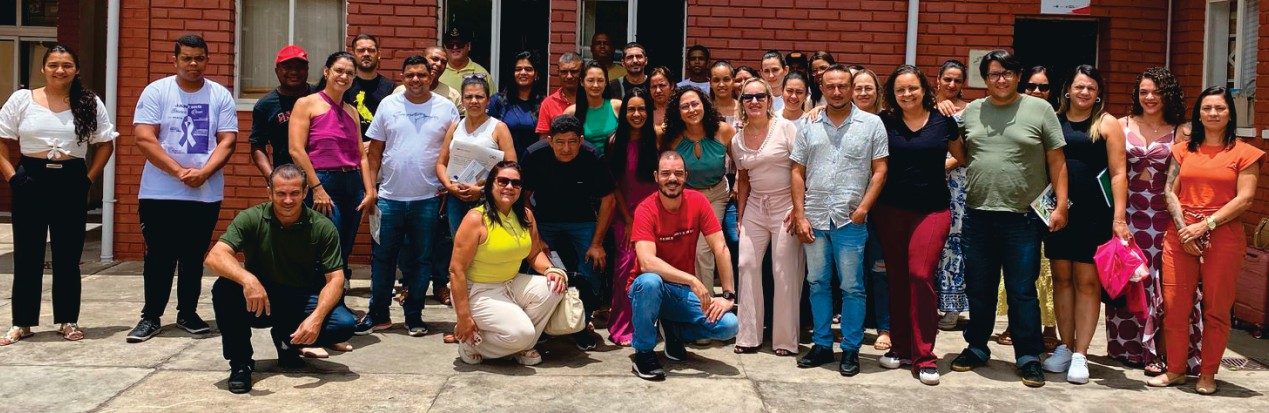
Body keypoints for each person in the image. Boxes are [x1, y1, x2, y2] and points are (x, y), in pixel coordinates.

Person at [948, 50, 1068, 388]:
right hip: (978, 214)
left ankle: (1028, 356)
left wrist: (1061, 206)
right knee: (979, 288)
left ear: (1018, 76)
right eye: (993, 74)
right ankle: (976, 347)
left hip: (1023, 218)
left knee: (1022, 291)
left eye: (1007, 73)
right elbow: (961, 152)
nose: (1001, 79)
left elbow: (1057, 161)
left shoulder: (1039, 109)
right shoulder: (973, 111)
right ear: (985, 79)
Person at [1149, 86, 1263, 394]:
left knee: (1217, 310)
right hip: (1181, 234)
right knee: (1175, 306)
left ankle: (1207, 374)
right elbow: (1169, 190)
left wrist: (1205, 225)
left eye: (1220, 108)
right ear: (1198, 114)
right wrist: (1184, 229)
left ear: (1230, 114)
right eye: (1207, 108)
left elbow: (1245, 199)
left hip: (1223, 237)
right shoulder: (1183, 150)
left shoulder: (1245, 153)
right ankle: (1175, 370)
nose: (1213, 113)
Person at [0, 45, 116, 345]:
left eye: (66, 65)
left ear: (76, 70)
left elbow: (105, 144)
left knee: (67, 255)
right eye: (53, 65)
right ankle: (22, 322)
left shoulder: (88, 102)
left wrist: (88, 180)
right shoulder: (22, 100)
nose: (59, 70)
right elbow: (1, 140)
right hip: (30, 178)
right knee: (28, 254)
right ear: (43, 68)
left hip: (71, 180)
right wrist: (13, 177)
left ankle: (67, 319)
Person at [206, 164, 357, 394]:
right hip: (261, 300)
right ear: (270, 193)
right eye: (281, 193)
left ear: (305, 192)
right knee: (224, 289)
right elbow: (215, 257)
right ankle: (240, 363)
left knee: (342, 325)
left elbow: (335, 279)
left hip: (300, 298)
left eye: (294, 193)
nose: (288, 200)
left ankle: (287, 340)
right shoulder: (251, 218)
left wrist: (316, 318)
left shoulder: (322, 226)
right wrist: (248, 280)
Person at [126, 34, 237, 343]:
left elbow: (228, 140)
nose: (193, 64)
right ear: (174, 60)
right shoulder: (157, 91)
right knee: (159, 256)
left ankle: (188, 313)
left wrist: (205, 173)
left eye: (199, 58)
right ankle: (151, 317)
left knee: (193, 256)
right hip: (160, 192)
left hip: (204, 192)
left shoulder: (219, 95)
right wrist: (178, 171)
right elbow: (144, 137)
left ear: (207, 60)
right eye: (186, 58)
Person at [789, 64, 888, 376]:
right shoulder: (809, 124)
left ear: (851, 87)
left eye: (843, 86)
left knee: (852, 287)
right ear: (821, 88)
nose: (836, 91)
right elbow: (797, 171)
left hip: (850, 220)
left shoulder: (871, 124)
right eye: (830, 86)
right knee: (817, 283)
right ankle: (821, 345)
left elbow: (880, 170)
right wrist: (800, 214)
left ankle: (850, 349)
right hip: (815, 218)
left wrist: (863, 209)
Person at [871, 65, 965, 385]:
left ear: (924, 89)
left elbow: (962, 155)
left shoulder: (942, 121)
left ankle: (924, 357)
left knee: (920, 276)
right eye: (900, 89)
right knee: (897, 278)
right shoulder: (884, 121)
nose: (907, 94)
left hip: (932, 211)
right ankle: (900, 347)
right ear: (892, 93)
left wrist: (938, 167)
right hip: (891, 211)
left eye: (912, 88)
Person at [359, 55, 461, 336]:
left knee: (421, 260)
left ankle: (414, 315)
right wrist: (371, 189)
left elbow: (455, 150)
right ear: (402, 78)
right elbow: (375, 151)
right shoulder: (388, 104)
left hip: (428, 198)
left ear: (431, 77)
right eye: (410, 75)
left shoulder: (446, 108)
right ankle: (378, 315)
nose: (416, 80)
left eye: (421, 75)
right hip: (389, 197)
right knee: (383, 259)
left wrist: (449, 183)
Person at [1040, 65, 1129, 384]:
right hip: (1060, 210)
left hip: (1095, 212)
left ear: (1099, 93)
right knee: (1062, 279)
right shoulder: (1054, 120)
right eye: (1079, 86)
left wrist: (1119, 218)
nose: (1084, 92)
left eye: (1091, 87)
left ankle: (1081, 353)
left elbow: (1118, 172)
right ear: (1068, 89)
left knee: (1088, 282)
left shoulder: (1106, 123)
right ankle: (1065, 347)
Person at [1108, 67, 1197, 376]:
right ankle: (1128, 348)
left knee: (1162, 285)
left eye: (1156, 92)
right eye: (1144, 92)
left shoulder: (1181, 131)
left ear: (1168, 95)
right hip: (1128, 214)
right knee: (1131, 279)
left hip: (1163, 218)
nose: (1149, 98)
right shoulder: (1121, 125)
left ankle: (1159, 351)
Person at [629, 151, 739, 381]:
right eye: (666, 173)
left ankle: (674, 331)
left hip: (678, 293)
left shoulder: (697, 202)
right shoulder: (645, 209)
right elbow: (647, 262)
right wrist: (691, 279)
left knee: (729, 325)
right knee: (650, 282)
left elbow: (720, 247)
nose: (672, 178)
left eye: (678, 173)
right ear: (656, 176)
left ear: (686, 176)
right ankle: (644, 353)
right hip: (647, 291)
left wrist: (728, 295)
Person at [450, 161, 568, 365]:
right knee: (523, 333)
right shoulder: (475, 218)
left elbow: (534, 254)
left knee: (555, 287)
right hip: (477, 291)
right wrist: (463, 317)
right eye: (503, 181)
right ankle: (471, 343)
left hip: (510, 283)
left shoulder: (525, 215)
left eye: (516, 183)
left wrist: (551, 269)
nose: (509, 187)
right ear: (490, 185)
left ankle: (521, 346)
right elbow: (456, 270)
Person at [520, 114, 616, 350]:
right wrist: (536, 238)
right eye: (560, 142)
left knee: (592, 267)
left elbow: (609, 199)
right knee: (538, 267)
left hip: (582, 219)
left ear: (581, 140)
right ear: (549, 140)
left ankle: (582, 322)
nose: (566, 148)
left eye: (572, 142)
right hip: (544, 220)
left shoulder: (593, 157)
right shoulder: (534, 155)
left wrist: (597, 243)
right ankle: (541, 323)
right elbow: (523, 198)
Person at [289, 51, 377, 285]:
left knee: (345, 244)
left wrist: (369, 191)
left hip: (352, 185)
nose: (344, 76)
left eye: (349, 73)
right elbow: (296, 150)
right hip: (323, 182)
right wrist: (316, 188)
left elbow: (361, 155)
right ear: (326, 72)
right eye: (339, 70)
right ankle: (324, 296)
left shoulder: (352, 111)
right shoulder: (306, 104)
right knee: (328, 244)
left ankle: (336, 294)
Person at [730, 78, 803, 357]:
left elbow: (800, 169)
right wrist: (741, 214)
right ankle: (748, 336)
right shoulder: (737, 140)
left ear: (770, 100)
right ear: (742, 103)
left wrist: (799, 208)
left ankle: (785, 340)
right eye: (748, 97)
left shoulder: (785, 128)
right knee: (746, 264)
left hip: (786, 206)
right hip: (755, 207)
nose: (754, 101)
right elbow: (743, 178)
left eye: (760, 96)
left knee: (783, 271)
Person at [994, 65, 1061, 350]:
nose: (1036, 91)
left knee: (1047, 269)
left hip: (1050, 202)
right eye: (1031, 86)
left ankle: (1049, 328)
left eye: (1043, 87)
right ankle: (1015, 323)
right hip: (1019, 204)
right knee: (1017, 269)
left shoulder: (1057, 119)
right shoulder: (1016, 115)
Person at [662, 86, 735, 293]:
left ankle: (707, 300)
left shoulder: (724, 131)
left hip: (717, 195)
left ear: (704, 105)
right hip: (688, 198)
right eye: (685, 106)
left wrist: (738, 183)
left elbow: (742, 163)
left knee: (703, 249)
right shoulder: (672, 137)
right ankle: (694, 298)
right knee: (689, 248)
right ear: (678, 112)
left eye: (695, 104)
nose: (691, 110)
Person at [605, 88, 661, 346]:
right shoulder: (614, 141)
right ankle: (622, 326)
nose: (636, 114)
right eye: (631, 109)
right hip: (625, 216)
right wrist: (628, 219)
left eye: (642, 109)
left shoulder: (658, 138)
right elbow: (613, 184)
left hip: (654, 214)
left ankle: (650, 325)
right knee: (625, 269)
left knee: (652, 271)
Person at [437, 76, 517, 249]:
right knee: (459, 246)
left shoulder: (498, 128)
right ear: (462, 101)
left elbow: (511, 167)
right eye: (469, 97)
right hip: (456, 198)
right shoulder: (455, 126)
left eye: (479, 97)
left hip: (487, 199)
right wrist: (449, 186)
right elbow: (441, 163)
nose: (474, 101)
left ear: (488, 100)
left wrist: (481, 190)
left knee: (486, 247)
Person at [933, 59, 970, 330]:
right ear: (938, 79)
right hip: (926, 182)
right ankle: (928, 301)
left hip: (957, 185)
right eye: (947, 78)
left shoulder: (970, 111)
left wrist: (948, 163)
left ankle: (952, 306)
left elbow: (972, 149)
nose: (952, 84)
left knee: (953, 241)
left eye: (957, 80)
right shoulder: (925, 106)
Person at [249, 45, 314, 178]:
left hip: (323, 174)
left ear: (307, 70)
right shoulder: (266, 105)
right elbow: (257, 145)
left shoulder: (320, 96)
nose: (294, 72)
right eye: (287, 67)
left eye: (299, 67)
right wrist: (271, 177)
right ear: (277, 71)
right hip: (287, 179)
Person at [488, 51, 545, 158]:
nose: (523, 72)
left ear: (536, 74)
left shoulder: (544, 103)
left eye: (528, 69)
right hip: (504, 164)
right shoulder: (498, 101)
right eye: (518, 69)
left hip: (533, 162)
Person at [347, 34, 398, 140]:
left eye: (371, 50)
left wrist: (373, 144)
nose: (366, 54)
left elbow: (395, 123)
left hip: (379, 148)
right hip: (348, 147)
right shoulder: (345, 85)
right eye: (361, 50)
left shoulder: (390, 88)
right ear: (352, 54)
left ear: (379, 54)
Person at [563, 60, 622, 152]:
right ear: (582, 82)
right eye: (590, 80)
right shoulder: (571, 112)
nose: (596, 85)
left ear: (606, 82)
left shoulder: (617, 106)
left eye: (600, 80)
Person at [535, 52, 582, 139]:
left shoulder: (591, 99)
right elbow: (544, 139)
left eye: (574, 71)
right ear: (558, 73)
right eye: (564, 72)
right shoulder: (548, 103)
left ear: (582, 72)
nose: (569, 76)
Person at [439, 26, 494, 92]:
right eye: (450, 44)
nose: (455, 47)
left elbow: (492, 98)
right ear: (445, 47)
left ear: (469, 46)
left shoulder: (482, 74)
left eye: (459, 44)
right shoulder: (438, 71)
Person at [709, 61, 738, 125]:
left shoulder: (743, 109)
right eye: (716, 80)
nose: (721, 85)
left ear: (733, 81)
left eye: (726, 79)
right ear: (710, 83)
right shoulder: (705, 110)